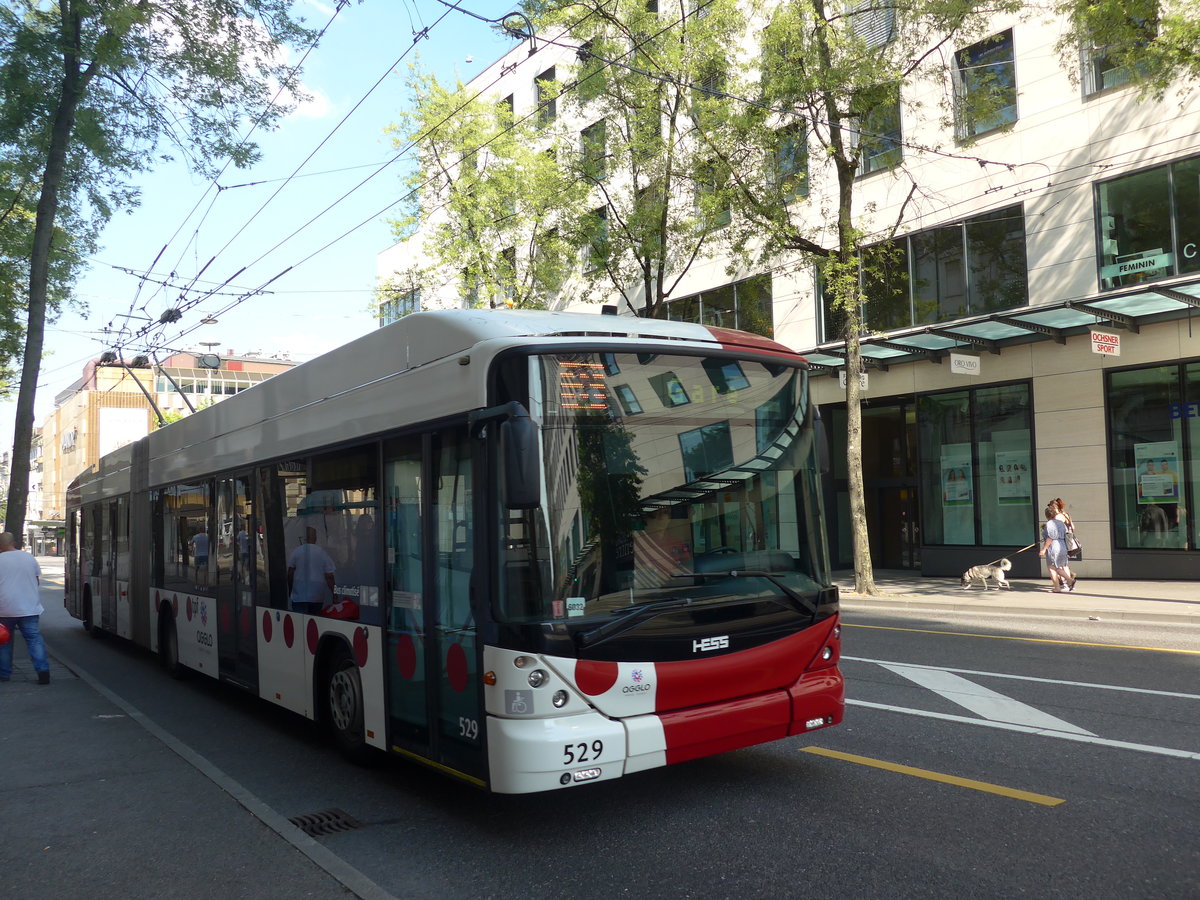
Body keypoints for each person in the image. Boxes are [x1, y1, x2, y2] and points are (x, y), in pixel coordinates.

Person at [0, 532, 49, 684]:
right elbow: (36, 581)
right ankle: (43, 672)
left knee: (3, 642)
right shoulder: (29, 558)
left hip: (5, 608)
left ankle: (4, 674)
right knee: (34, 640)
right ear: (13, 542)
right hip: (29, 608)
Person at [287, 526, 336, 614]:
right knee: (313, 623)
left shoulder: (297, 551)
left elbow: (290, 573)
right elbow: (329, 577)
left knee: (300, 623)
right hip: (317, 596)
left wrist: (290, 590)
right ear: (315, 538)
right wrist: (335, 594)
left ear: (304, 538)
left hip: (299, 596)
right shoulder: (322, 553)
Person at [1039, 503, 1076, 593]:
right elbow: (1066, 533)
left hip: (1054, 547)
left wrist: (1044, 549)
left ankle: (1059, 586)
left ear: (1047, 515)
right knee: (1061, 565)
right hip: (1062, 545)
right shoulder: (1061, 523)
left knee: (1052, 568)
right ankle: (1068, 581)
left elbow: (1050, 537)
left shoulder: (1049, 524)